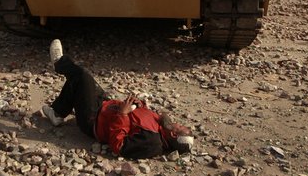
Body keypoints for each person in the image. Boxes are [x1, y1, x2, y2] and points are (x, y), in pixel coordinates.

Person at [41, 40, 194, 159]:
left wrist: (123, 114)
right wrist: (139, 105)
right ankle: (57, 113)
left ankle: (59, 63)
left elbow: (119, 146)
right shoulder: (160, 127)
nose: (177, 123)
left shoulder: (152, 142)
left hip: (94, 120)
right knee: (80, 83)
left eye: (180, 127)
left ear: (173, 134)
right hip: (106, 107)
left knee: (82, 76)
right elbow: (138, 121)